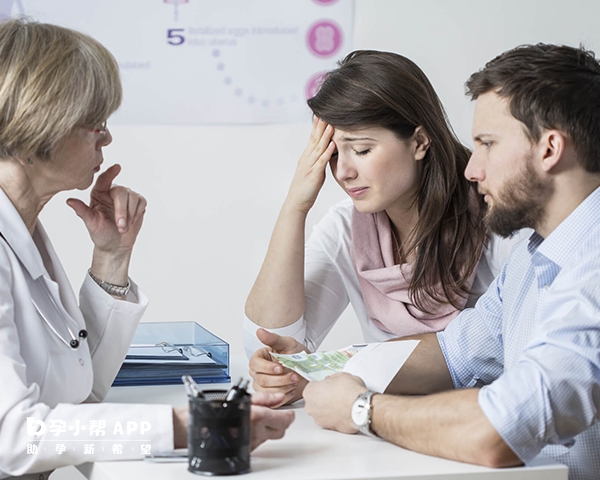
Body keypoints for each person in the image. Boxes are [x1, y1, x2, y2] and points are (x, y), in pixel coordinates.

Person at [0, 18, 293, 480]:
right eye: (93, 123)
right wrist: (188, 425)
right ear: (33, 129)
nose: (107, 138)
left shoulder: (24, 230)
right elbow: (11, 437)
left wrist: (111, 258)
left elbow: (82, 392)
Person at [303, 43, 600, 480]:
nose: (471, 168)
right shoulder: (534, 256)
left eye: (487, 144)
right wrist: (314, 372)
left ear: (550, 148)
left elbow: (499, 430)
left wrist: (360, 409)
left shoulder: (593, 269)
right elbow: (452, 353)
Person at [244, 50, 528, 406]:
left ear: (419, 142)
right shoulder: (348, 229)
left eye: (361, 150)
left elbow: (515, 358)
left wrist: (338, 376)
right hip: (387, 435)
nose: (343, 171)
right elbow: (267, 341)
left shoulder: (499, 221)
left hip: (482, 435)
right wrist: (295, 206)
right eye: (332, 154)